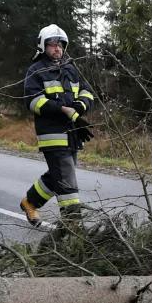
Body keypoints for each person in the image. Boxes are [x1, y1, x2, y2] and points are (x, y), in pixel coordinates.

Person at [19, 24, 96, 228]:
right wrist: (62, 109)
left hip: (72, 134)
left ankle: (30, 202)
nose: (57, 48)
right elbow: (33, 101)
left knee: (58, 175)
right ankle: (73, 225)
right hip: (52, 134)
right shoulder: (36, 71)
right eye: (52, 44)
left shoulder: (71, 69)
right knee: (66, 179)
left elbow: (88, 92)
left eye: (60, 45)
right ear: (43, 46)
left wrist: (79, 106)